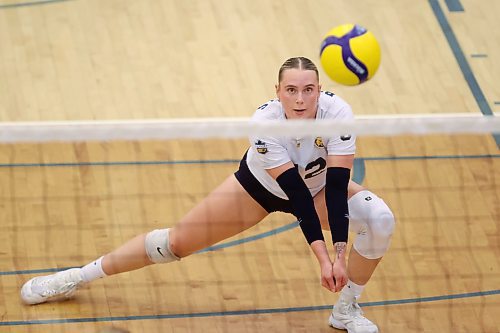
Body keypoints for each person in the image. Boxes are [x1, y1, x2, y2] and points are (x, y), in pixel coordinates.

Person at [20, 57, 395, 333]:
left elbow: (334, 186)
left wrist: (340, 254)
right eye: (291, 90)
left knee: (379, 220)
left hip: (319, 190)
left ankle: (345, 311)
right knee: (174, 243)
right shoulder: (265, 122)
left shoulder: (337, 114)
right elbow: (292, 194)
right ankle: (77, 276)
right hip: (259, 189)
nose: (300, 99)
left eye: (308, 90)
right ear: (277, 92)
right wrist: (322, 258)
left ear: (319, 90)